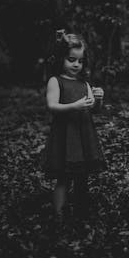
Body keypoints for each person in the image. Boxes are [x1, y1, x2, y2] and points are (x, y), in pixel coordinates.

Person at [42, 30, 106, 221]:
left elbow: (93, 109)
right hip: (66, 135)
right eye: (71, 59)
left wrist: (99, 100)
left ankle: (81, 212)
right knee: (63, 177)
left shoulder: (84, 83)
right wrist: (74, 106)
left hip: (83, 135)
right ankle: (60, 215)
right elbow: (52, 106)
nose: (76, 64)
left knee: (82, 176)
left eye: (80, 61)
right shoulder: (56, 81)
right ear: (61, 58)